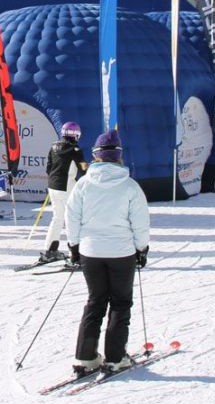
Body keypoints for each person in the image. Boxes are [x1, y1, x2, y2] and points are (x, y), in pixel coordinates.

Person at [66, 128, 150, 375]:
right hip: (121, 252)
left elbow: (72, 217)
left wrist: (74, 246)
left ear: (96, 155)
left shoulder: (83, 184)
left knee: (96, 301)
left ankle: (85, 357)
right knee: (120, 303)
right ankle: (115, 357)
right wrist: (141, 249)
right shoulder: (130, 186)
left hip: (91, 251)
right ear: (118, 156)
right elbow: (140, 222)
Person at [41, 121, 88, 262]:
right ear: (76, 135)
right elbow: (84, 169)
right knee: (72, 218)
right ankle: (75, 253)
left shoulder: (53, 146)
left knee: (57, 217)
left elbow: (48, 168)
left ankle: (50, 249)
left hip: (53, 186)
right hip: (67, 186)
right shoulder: (75, 149)